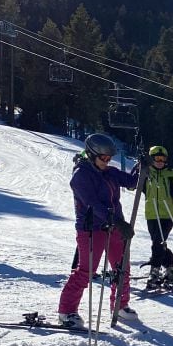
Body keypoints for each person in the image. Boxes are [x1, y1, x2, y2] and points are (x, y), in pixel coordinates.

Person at [58, 133, 142, 327]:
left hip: (114, 227)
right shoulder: (81, 176)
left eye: (109, 158)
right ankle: (66, 311)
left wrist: (142, 168)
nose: (107, 161)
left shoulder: (109, 172)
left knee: (122, 268)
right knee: (86, 271)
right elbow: (92, 204)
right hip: (91, 229)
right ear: (90, 155)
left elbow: (132, 182)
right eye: (103, 158)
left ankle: (120, 305)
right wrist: (117, 221)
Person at [142, 145, 173, 288]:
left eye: (162, 158)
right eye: (157, 158)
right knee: (159, 244)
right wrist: (140, 168)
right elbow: (132, 185)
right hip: (151, 214)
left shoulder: (171, 173)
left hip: (166, 214)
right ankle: (171, 270)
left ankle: (155, 272)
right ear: (151, 159)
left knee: (158, 243)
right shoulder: (146, 172)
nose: (160, 161)